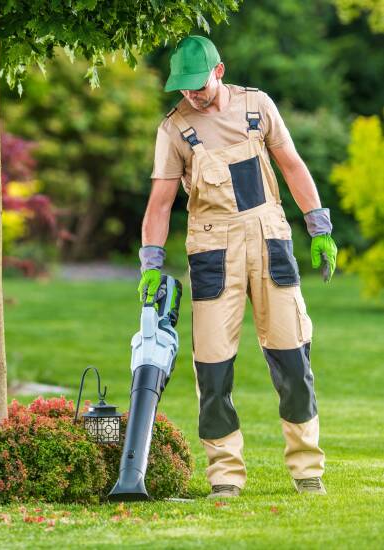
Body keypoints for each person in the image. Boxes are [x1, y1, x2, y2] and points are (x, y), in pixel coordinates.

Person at [138, 35, 337, 499]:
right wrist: (151, 260)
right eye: (183, 88)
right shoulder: (174, 130)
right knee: (212, 368)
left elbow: (291, 165)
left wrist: (319, 225)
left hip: (269, 239)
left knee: (292, 358)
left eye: (198, 84)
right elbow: (161, 202)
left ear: (219, 71)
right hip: (211, 250)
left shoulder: (257, 107)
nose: (191, 94)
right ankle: (225, 475)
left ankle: (307, 468)